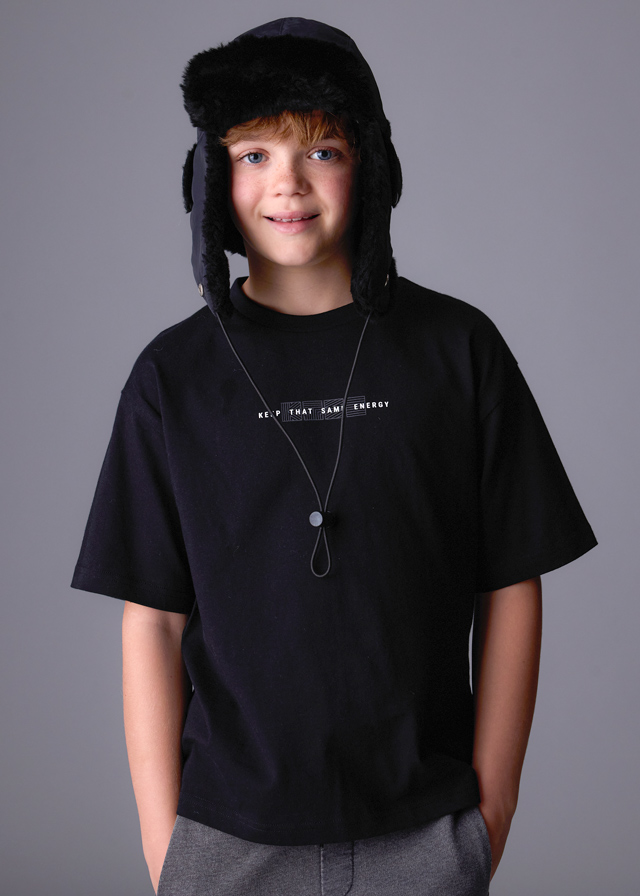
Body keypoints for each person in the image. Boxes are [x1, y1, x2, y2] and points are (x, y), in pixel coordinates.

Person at [71, 17, 597, 896]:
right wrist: (166, 849)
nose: (288, 183)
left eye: (322, 150)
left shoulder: (458, 350)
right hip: (227, 838)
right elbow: (152, 619)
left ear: (372, 167)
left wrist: (490, 811)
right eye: (253, 155)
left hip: (425, 831)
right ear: (210, 179)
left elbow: (511, 581)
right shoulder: (173, 377)